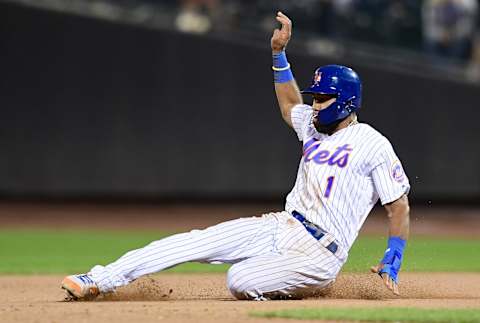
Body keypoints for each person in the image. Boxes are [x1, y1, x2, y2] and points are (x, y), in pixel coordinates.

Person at [61, 11, 410, 301]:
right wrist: (278, 55)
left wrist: (392, 258)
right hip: (283, 224)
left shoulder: (373, 143)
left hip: (320, 253)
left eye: (322, 98)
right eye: (315, 97)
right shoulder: (313, 126)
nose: (315, 104)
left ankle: (310, 281)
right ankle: (100, 279)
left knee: (240, 279)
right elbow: (290, 103)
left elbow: (398, 206)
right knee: (196, 240)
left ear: (347, 101)